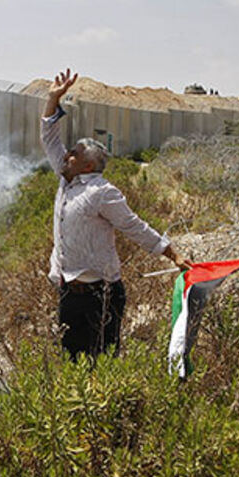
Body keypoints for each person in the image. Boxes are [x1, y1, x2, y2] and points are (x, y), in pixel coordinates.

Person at [41, 68, 191, 360]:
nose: (66, 155)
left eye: (73, 153)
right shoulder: (66, 177)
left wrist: (172, 254)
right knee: (72, 364)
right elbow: (48, 136)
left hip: (101, 296)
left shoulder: (102, 192)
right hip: (68, 293)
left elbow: (133, 226)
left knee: (104, 361)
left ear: (87, 166)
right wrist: (52, 100)